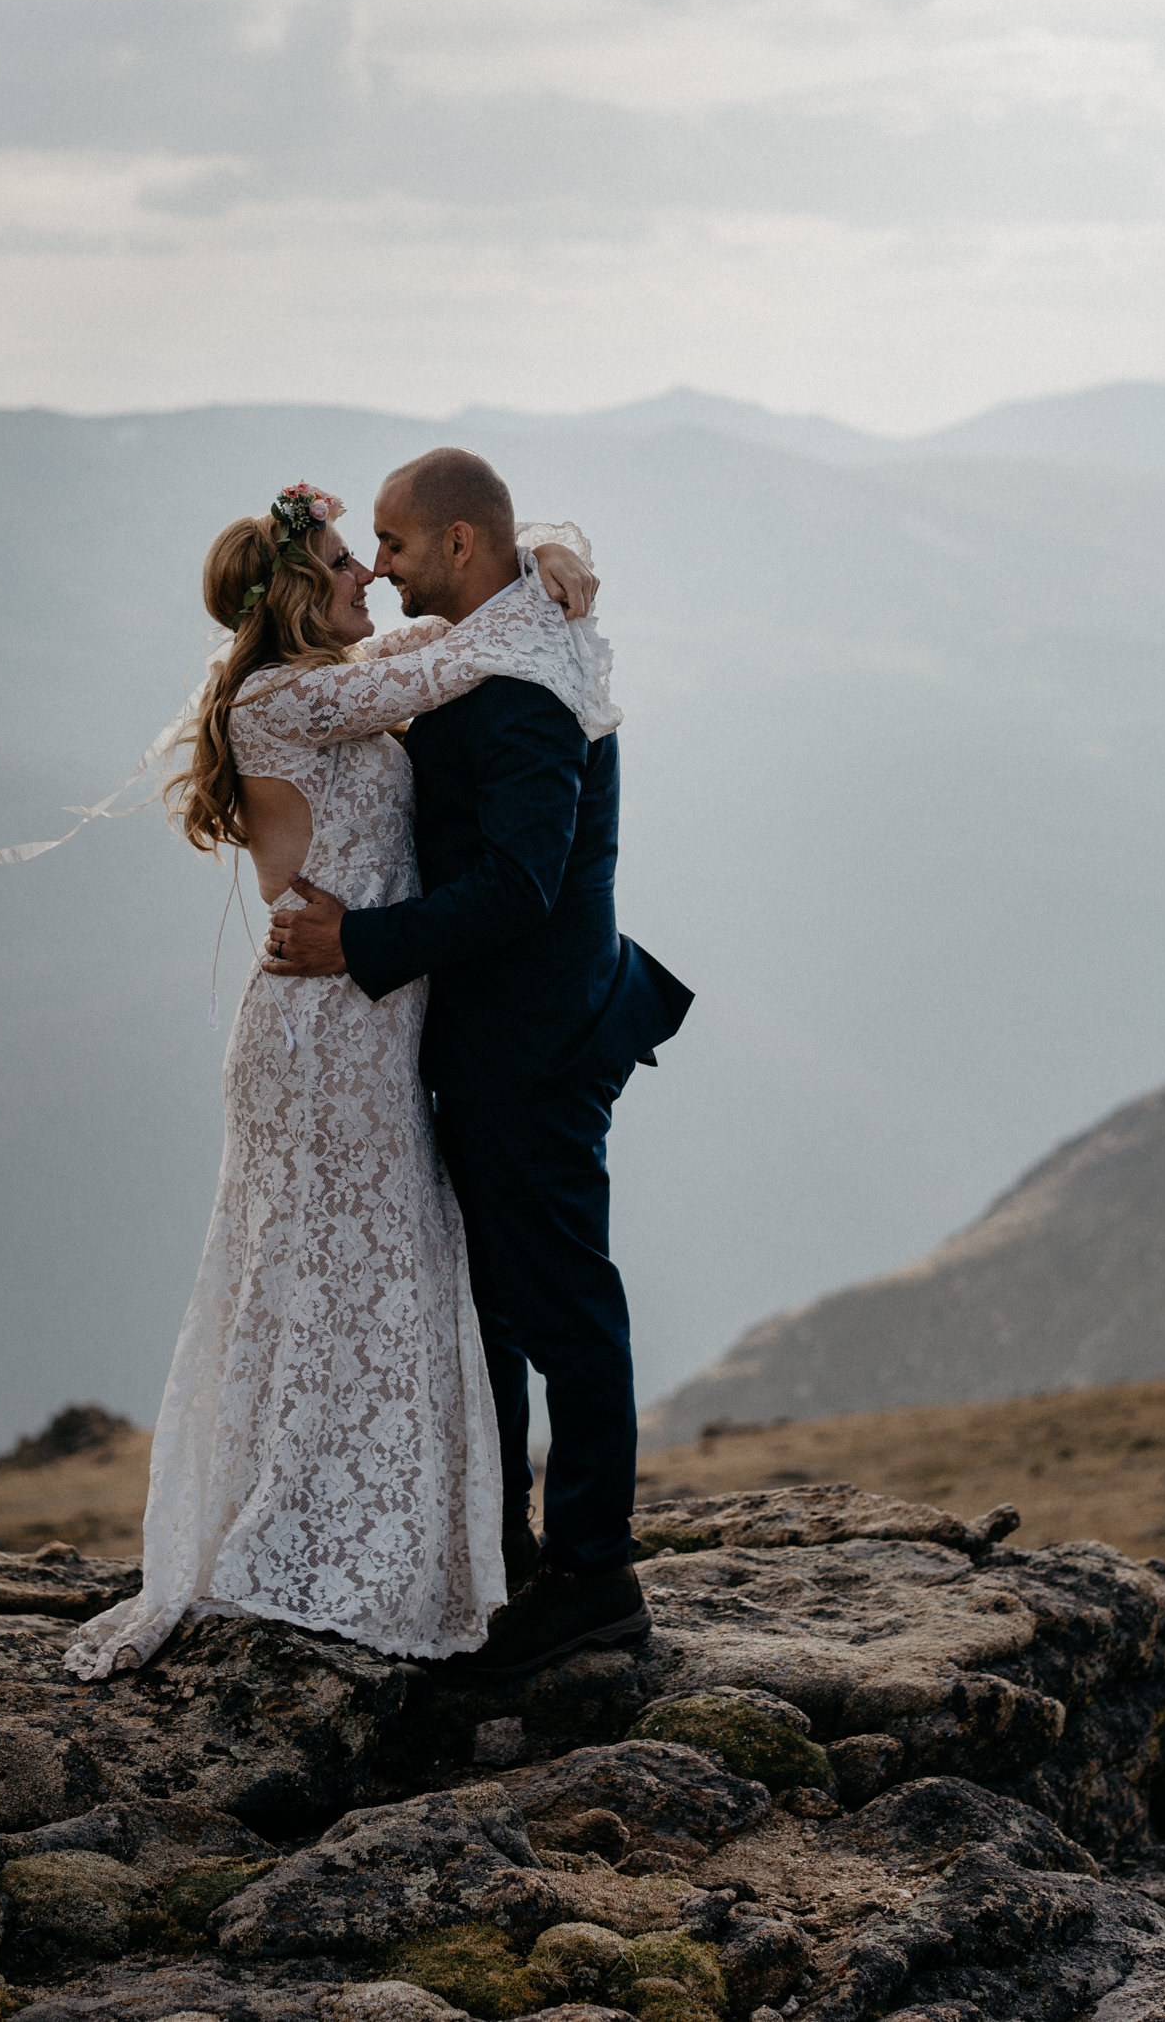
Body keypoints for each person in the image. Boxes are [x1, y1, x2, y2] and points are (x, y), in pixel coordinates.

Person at [62, 483, 610, 1678]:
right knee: (350, 1270)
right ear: (303, 591)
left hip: (364, 1019)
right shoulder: (286, 696)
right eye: (345, 560)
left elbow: (449, 638)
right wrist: (541, 579)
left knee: (371, 1268)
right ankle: (319, 1536)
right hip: (323, 1028)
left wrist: (552, 556)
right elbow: (448, 658)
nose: (369, 570)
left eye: (380, 553)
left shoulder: (326, 686)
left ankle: (379, 1529)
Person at [264, 448, 692, 1678]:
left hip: (534, 1041)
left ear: (456, 545)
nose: (381, 565)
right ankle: (502, 1555)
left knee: (558, 1304)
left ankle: (594, 1576)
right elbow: (524, 560)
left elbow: (520, 880)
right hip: (517, 1027)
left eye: (393, 544)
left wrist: (360, 941)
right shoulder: (517, 623)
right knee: (494, 1304)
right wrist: (556, 546)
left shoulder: (515, 687)